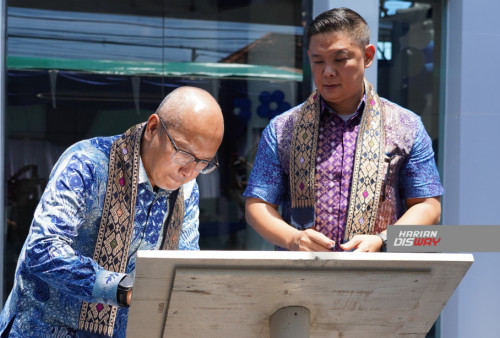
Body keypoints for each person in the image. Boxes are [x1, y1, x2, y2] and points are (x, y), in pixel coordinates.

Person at [0, 86, 224, 337]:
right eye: (183, 154)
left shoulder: (187, 189)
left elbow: (184, 263)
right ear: (152, 128)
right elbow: (42, 249)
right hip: (43, 329)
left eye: (203, 163)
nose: (189, 171)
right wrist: (122, 288)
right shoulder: (87, 163)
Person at [244, 8, 443, 253]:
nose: (327, 71)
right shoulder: (283, 128)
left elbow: (428, 206)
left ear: (368, 56)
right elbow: (257, 206)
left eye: (340, 59)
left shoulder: (406, 125)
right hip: (301, 279)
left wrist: (383, 241)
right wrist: (294, 239)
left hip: (379, 277)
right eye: (318, 61)